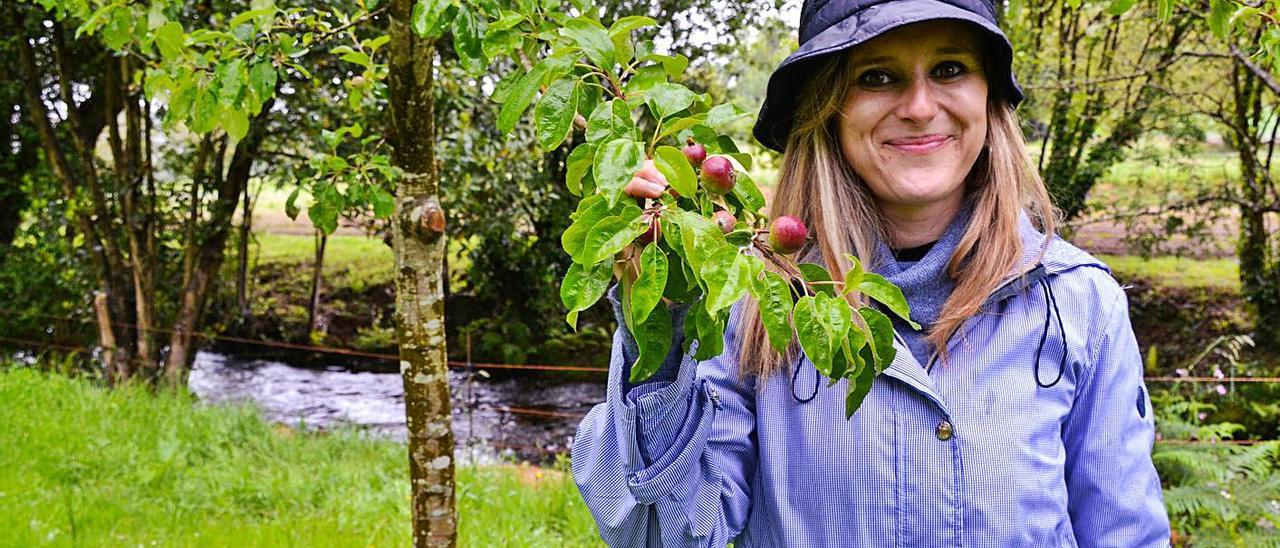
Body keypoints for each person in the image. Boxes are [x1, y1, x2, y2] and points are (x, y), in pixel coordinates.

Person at [570, 0, 1172, 545]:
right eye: (876, 77)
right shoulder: (753, 296)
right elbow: (657, 534)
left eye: (950, 68)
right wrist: (664, 322)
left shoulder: (1079, 306)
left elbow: (1125, 534)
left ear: (990, 99)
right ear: (826, 109)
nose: (918, 107)